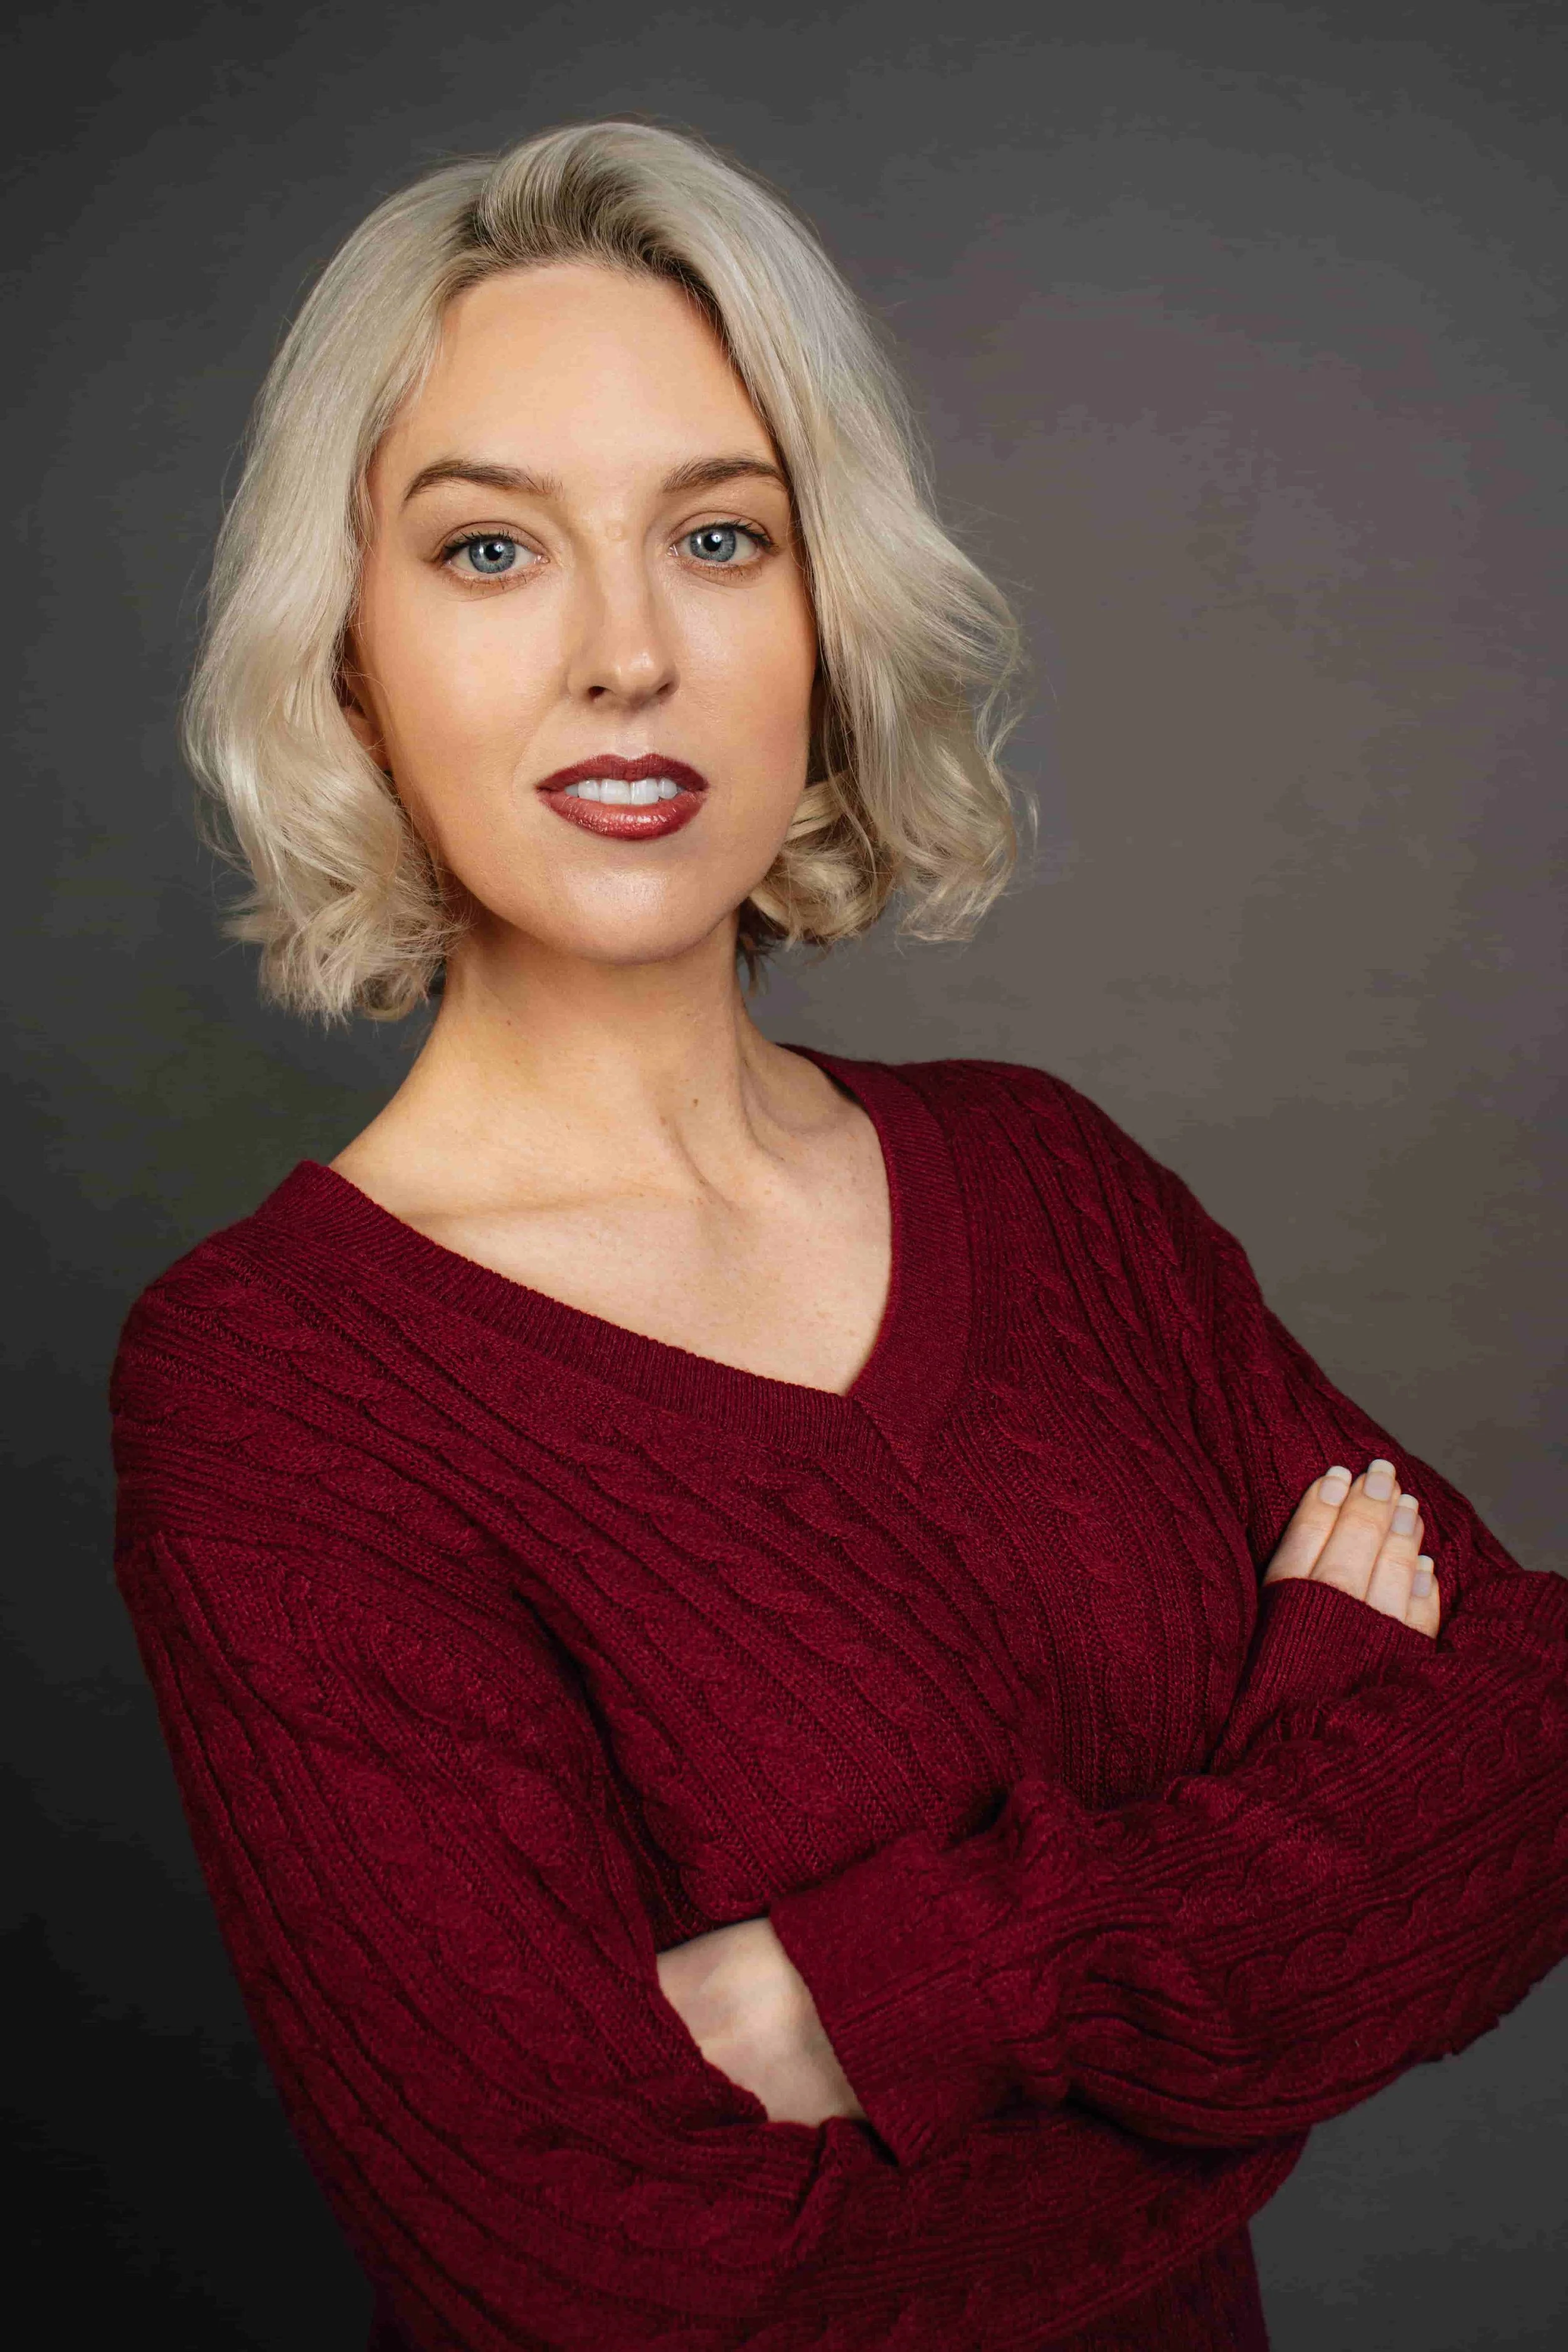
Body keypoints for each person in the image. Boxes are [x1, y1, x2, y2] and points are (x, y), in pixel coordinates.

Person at [109, 119, 1568, 2351]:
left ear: (829, 624)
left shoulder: (1045, 1183)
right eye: (489, 550)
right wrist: (1280, 1835)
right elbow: (590, 2281)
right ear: (344, 660)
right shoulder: (274, 1390)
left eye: (717, 535)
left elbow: (1530, 1741)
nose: (624, 652)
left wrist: (877, 1993)